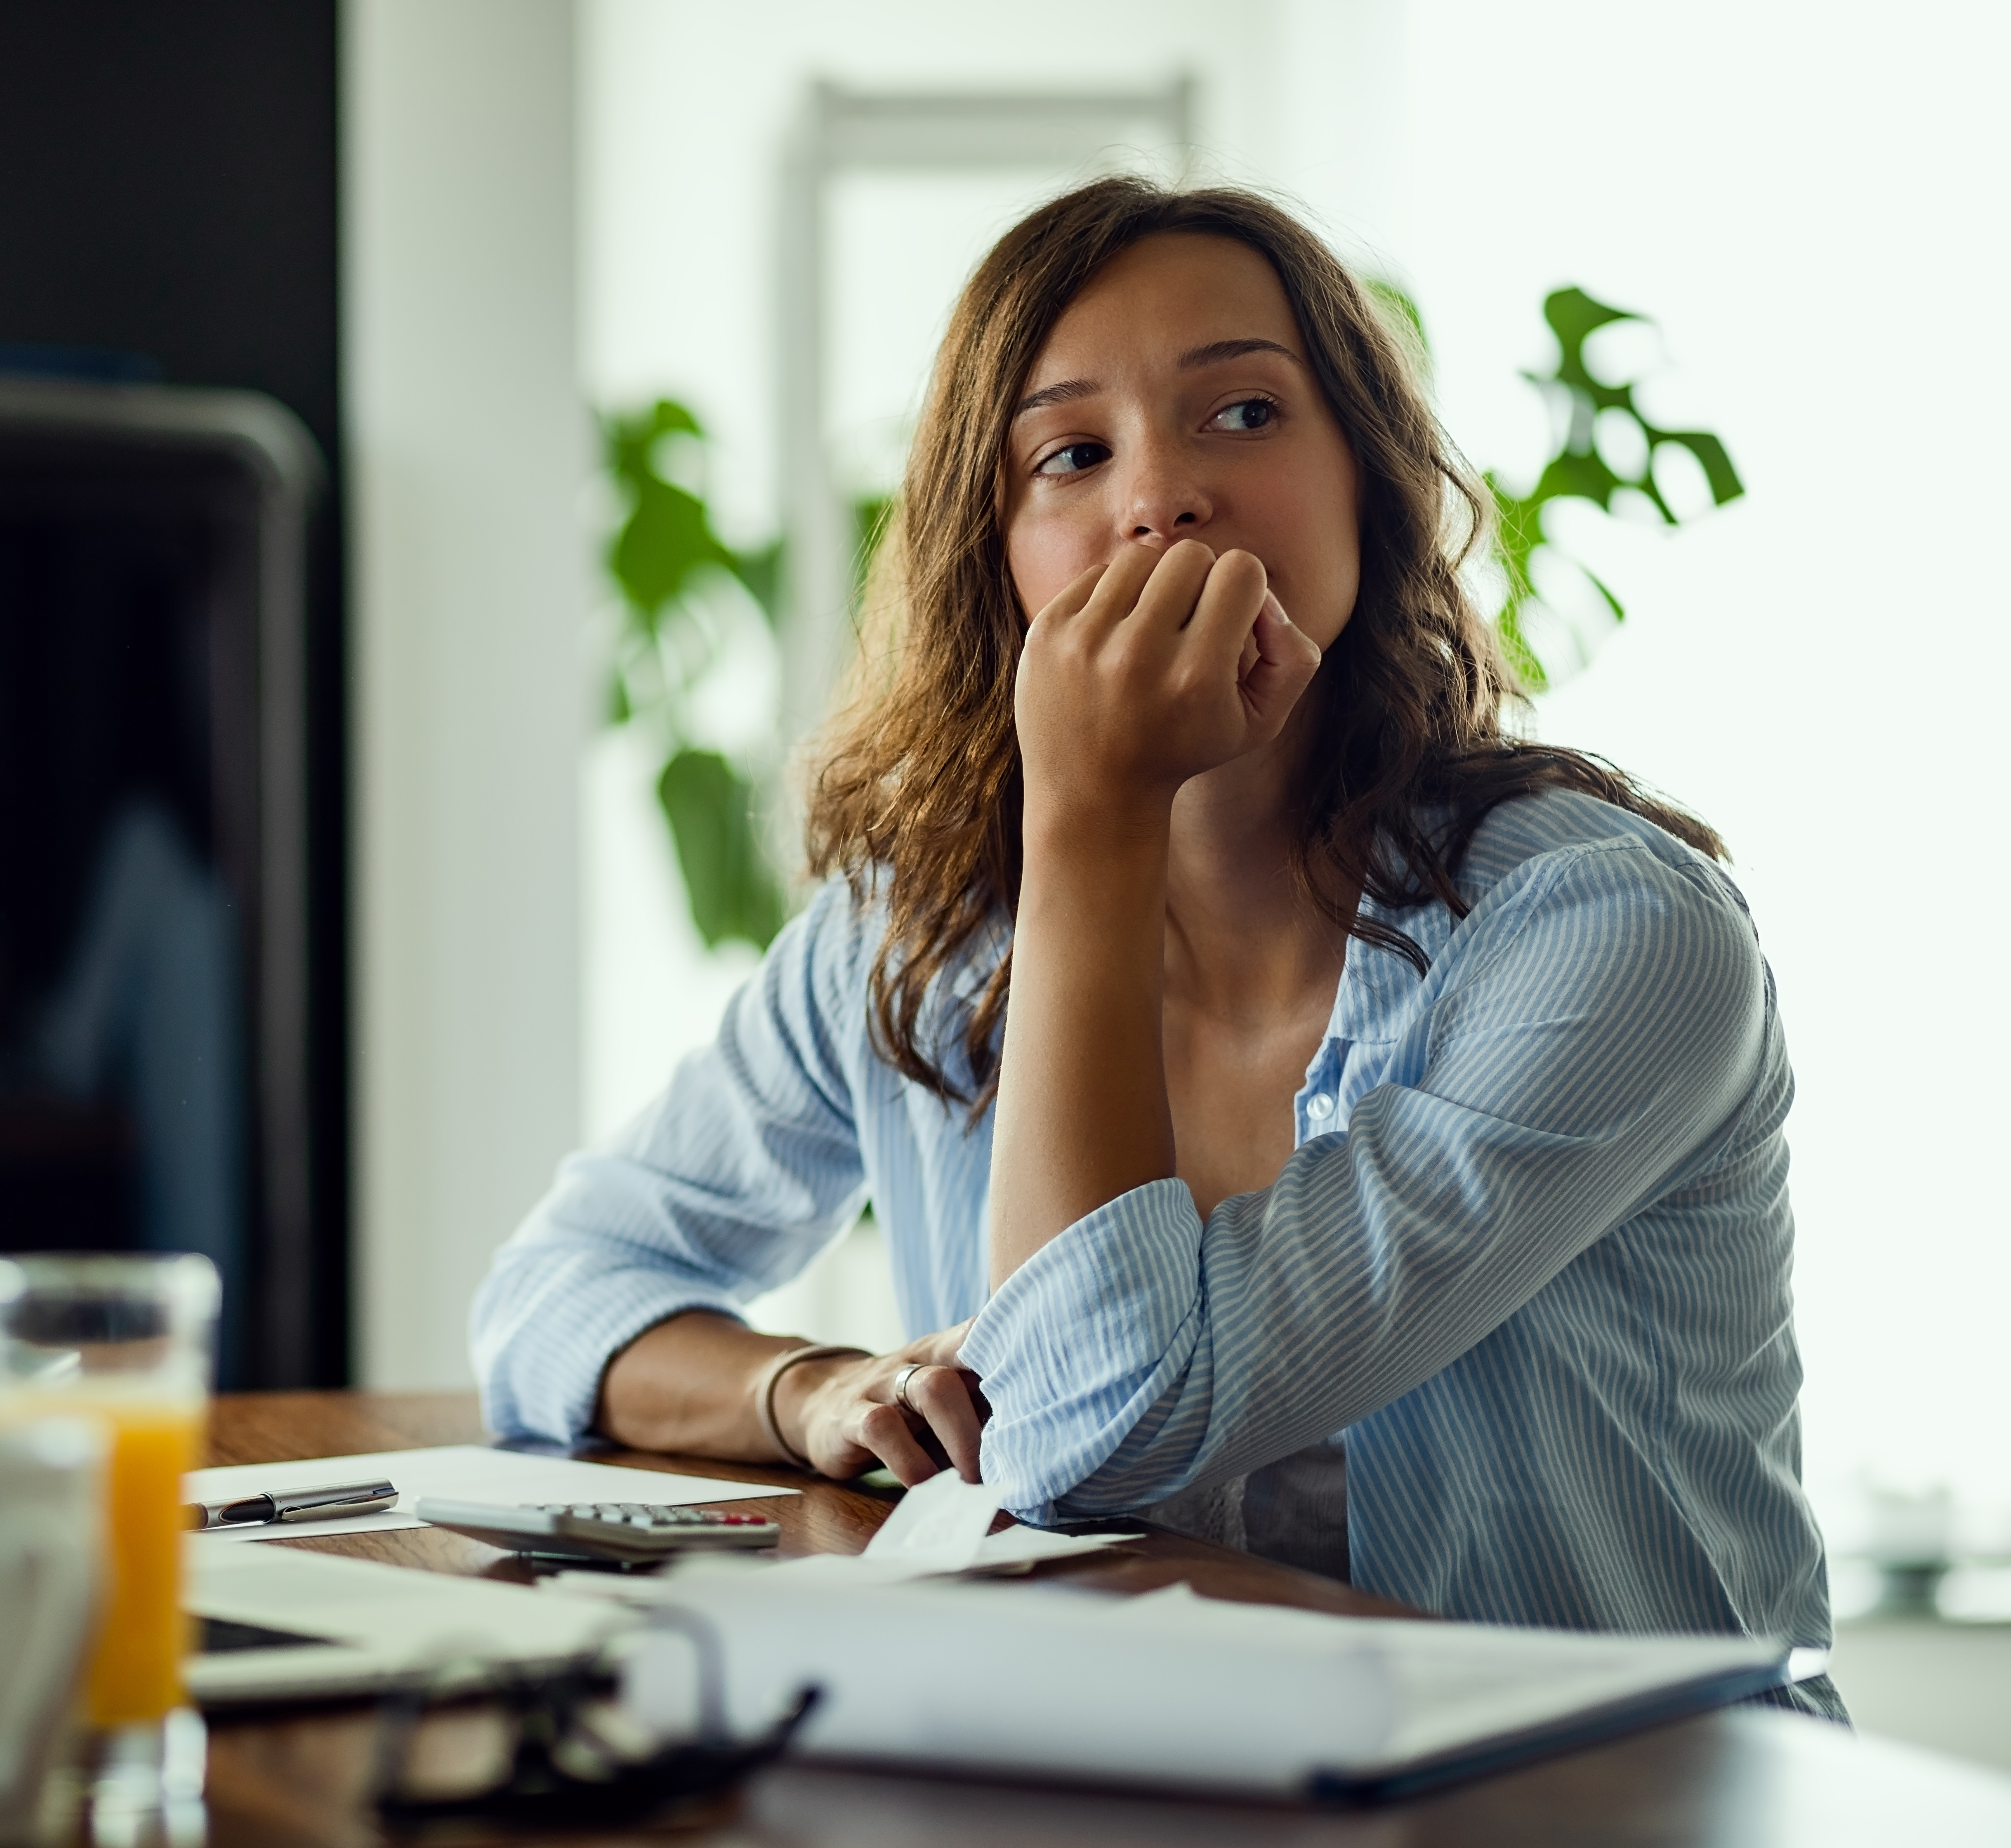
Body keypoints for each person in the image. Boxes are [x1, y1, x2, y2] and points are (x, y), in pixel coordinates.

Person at [471, 176, 1839, 1716]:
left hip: (1614, 1805)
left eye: (1243, 416)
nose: (1162, 498)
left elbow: (1094, 1426)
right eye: (1073, 453)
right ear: (995, 559)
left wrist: (1093, 817)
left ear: (1368, 486)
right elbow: (554, 1300)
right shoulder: (911, 930)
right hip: (1162, 1776)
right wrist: (805, 1393)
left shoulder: (1609, 937)